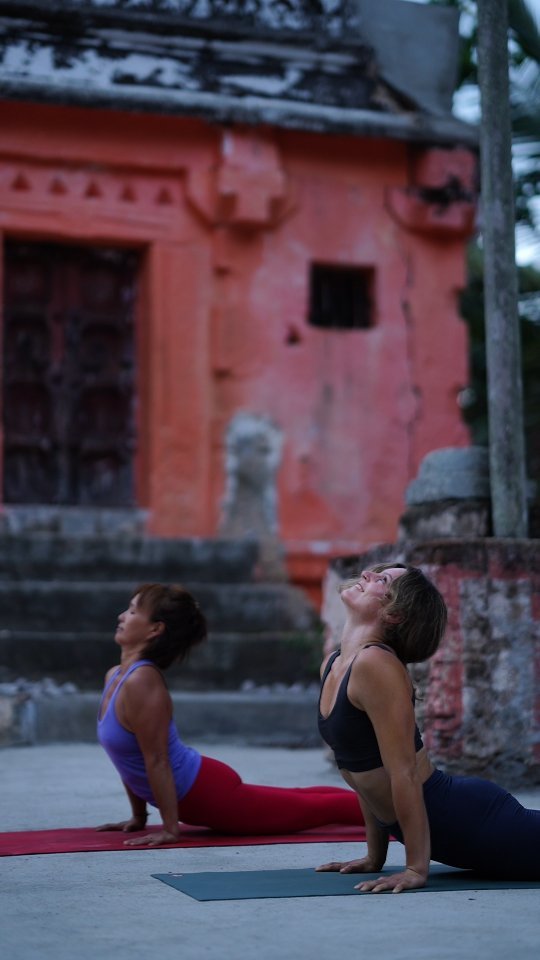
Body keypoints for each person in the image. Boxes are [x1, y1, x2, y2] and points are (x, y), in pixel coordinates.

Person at [316, 562, 540, 892]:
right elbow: (361, 769)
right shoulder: (335, 664)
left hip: (472, 822)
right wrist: (373, 857)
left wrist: (415, 869)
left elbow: (402, 773)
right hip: (451, 827)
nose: (366, 575)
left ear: (394, 614)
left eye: (382, 581)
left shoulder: (375, 665)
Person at [96, 583, 363, 847]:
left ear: (155, 628)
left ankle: (397, 811)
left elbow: (157, 759)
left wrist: (169, 829)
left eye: (132, 612)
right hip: (201, 787)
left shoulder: (141, 681)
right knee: (307, 799)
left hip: (208, 796)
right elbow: (129, 759)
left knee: (320, 808)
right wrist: (139, 816)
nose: (122, 616)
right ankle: (384, 802)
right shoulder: (115, 676)